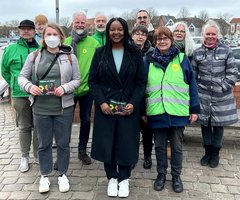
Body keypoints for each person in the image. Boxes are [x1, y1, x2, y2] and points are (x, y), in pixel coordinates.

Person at [18, 23, 80, 193]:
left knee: (63, 143)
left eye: (55, 34)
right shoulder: (34, 56)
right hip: (40, 108)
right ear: (43, 37)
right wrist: (29, 87)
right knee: (44, 144)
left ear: (61, 37)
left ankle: (62, 174)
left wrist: (65, 88)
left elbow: (77, 80)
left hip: (63, 108)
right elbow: (21, 77)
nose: (51, 37)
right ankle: (44, 175)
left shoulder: (69, 57)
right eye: (48, 34)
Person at [88, 17, 146, 198]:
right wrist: (101, 102)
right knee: (108, 143)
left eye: (120, 29)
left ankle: (124, 178)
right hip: (107, 107)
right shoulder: (100, 53)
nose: (116, 33)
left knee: (126, 143)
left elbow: (141, 82)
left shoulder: (135, 53)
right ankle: (112, 177)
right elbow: (93, 81)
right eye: (112, 29)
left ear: (126, 30)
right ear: (108, 31)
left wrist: (134, 103)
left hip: (128, 107)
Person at [145, 26, 200, 193]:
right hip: (156, 112)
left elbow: (192, 85)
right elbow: (141, 87)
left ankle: (176, 176)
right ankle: (161, 174)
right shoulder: (148, 60)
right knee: (160, 146)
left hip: (177, 113)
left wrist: (194, 109)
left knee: (176, 147)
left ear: (171, 40)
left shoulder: (182, 59)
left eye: (165, 38)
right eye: (159, 39)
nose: (162, 41)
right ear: (154, 41)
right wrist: (142, 111)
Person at [191, 20, 238, 168]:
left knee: (218, 125)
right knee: (205, 124)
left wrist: (223, 86)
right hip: (203, 96)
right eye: (207, 34)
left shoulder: (226, 50)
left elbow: (232, 72)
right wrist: (196, 91)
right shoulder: (197, 52)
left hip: (221, 96)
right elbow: (192, 74)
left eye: (213, 33)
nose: (210, 36)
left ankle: (215, 153)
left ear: (217, 35)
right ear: (203, 35)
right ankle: (207, 152)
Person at [1, 19, 40, 173]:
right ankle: (24, 156)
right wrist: (13, 83)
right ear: (19, 31)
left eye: (29, 29)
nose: (26, 31)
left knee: (38, 126)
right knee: (24, 126)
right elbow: (4, 70)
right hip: (19, 94)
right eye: (23, 29)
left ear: (34, 31)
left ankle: (38, 155)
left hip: (38, 93)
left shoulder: (40, 48)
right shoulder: (11, 49)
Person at [64, 11, 100, 165]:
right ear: (72, 23)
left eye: (82, 22)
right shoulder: (65, 42)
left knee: (85, 120)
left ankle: (82, 150)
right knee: (65, 121)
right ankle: (63, 152)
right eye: (76, 22)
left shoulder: (94, 43)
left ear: (86, 24)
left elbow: (99, 66)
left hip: (86, 89)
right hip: (68, 89)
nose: (79, 25)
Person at [131, 24, 154, 169]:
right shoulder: (127, 51)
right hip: (131, 96)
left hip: (147, 96)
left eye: (143, 34)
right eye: (137, 33)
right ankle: (132, 156)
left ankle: (147, 156)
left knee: (147, 130)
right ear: (132, 36)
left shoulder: (152, 53)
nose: (140, 36)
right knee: (132, 130)